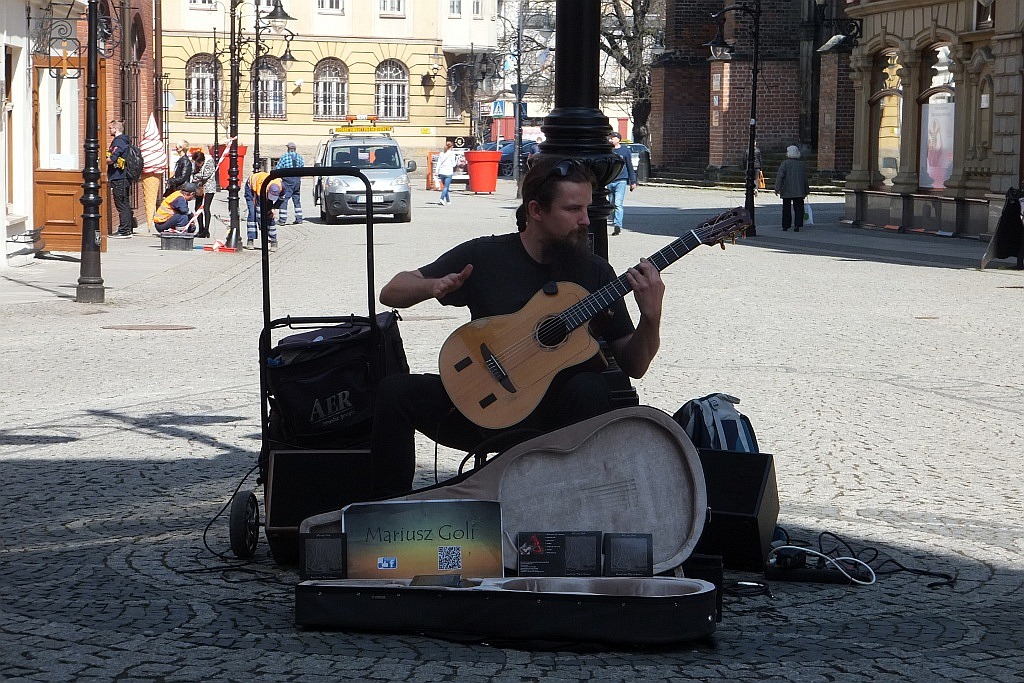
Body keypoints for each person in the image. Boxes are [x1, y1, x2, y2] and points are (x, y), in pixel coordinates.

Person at [369, 155, 666, 498]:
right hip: (484, 407)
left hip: (555, 423)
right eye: (572, 210)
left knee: (591, 388)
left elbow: (636, 365)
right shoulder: (485, 256)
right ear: (536, 211)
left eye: (587, 208)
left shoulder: (594, 272)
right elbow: (392, 291)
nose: (585, 220)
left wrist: (651, 316)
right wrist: (431, 286)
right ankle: (385, 515)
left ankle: (573, 509)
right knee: (394, 392)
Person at [106, 120, 134, 238]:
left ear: (116, 129)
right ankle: (128, 228)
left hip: (119, 177)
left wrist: (102, 160)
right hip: (123, 177)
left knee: (121, 203)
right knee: (124, 203)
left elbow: (112, 158)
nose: (109, 131)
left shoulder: (119, 141)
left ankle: (124, 230)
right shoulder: (124, 140)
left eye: (111, 128)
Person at [244, 171, 284, 251]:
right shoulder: (261, 188)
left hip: (264, 185)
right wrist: (263, 228)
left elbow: (281, 199)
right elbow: (260, 212)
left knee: (270, 215)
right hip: (251, 187)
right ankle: (250, 239)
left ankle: (273, 240)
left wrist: (273, 208)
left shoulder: (282, 186)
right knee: (253, 213)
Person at [606, 132, 636, 236]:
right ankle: (616, 224)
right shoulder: (607, 150)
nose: (610, 140)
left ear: (618, 139)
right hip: (610, 180)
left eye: (612, 138)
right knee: (612, 204)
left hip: (621, 181)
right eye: (610, 138)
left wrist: (633, 181)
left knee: (618, 203)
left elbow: (629, 166)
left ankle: (617, 225)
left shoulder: (625, 151)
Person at [774, 145, 810, 232]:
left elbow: (780, 177)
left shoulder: (785, 163)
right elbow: (805, 178)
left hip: (787, 189)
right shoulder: (801, 164)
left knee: (786, 208)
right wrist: (806, 190)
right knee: (798, 208)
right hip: (799, 190)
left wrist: (777, 188)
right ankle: (797, 225)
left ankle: (786, 225)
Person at [275, 142, 304, 225]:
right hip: (297, 179)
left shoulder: (285, 157)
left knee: (284, 199)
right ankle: (299, 218)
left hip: (288, 179)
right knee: (297, 199)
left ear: (288, 148)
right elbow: (302, 168)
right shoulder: (300, 157)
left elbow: (278, 168)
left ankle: (282, 220)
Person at [191, 150, 216, 238]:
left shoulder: (209, 162)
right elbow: (194, 173)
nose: (197, 165)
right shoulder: (196, 163)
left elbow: (206, 175)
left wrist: (196, 176)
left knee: (206, 208)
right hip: (199, 188)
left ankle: (206, 230)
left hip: (209, 188)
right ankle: (200, 229)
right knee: (197, 208)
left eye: (198, 163)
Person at [435, 139, 457, 206]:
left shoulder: (441, 154)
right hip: (448, 172)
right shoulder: (452, 154)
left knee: (445, 186)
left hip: (441, 172)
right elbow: (454, 164)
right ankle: (441, 199)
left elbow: (438, 163)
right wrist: (456, 162)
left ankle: (448, 200)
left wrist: (436, 171)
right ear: (451, 147)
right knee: (446, 187)